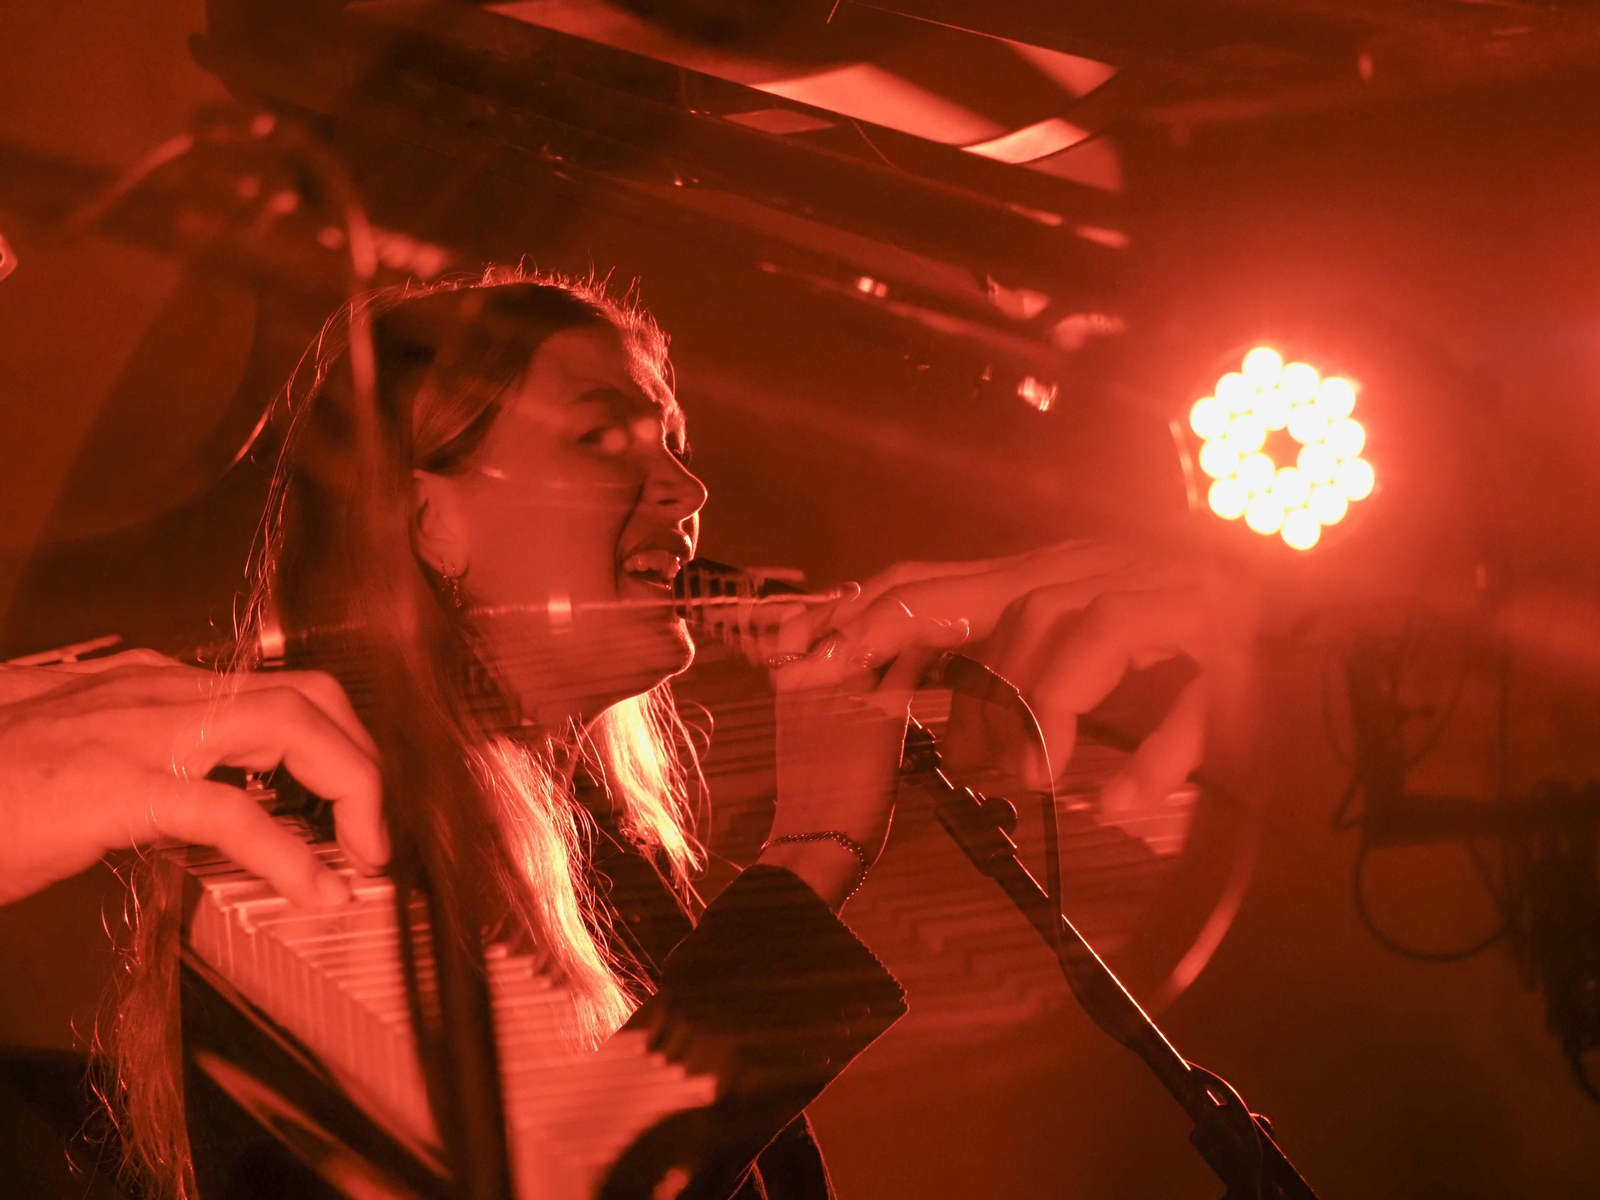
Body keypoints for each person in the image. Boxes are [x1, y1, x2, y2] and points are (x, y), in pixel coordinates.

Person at [1, 264, 1232, 1198]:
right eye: (603, 439)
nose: (687, 492)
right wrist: (811, 851)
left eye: (674, 445)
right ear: (427, 522)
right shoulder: (320, 827)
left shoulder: (601, 859)